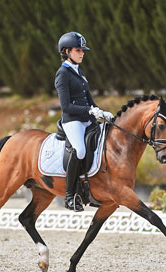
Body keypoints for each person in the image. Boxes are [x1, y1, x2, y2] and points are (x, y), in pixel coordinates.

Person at [55, 31, 113, 212]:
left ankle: (93, 190)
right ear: (66, 51)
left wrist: (101, 111)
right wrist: (89, 110)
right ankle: (70, 196)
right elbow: (66, 106)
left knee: (104, 141)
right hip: (72, 120)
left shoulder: (79, 71)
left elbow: (89, 99)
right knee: (79, 150)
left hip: (87, 118)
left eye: (83, 50)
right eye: (78, 50)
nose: (82, 53)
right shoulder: (62, 74)